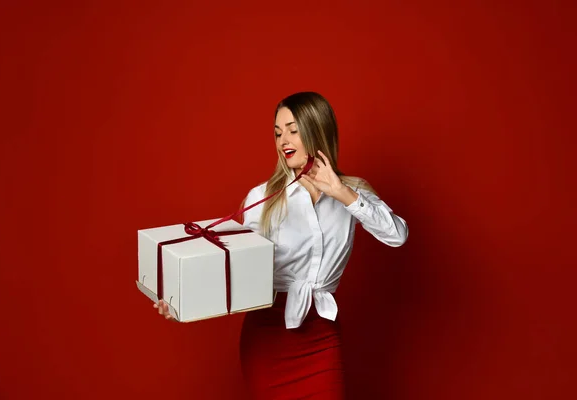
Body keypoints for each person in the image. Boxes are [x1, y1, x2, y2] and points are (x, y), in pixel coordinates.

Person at [155, 92, 408, 399]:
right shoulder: (263, 198)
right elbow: (226, 261)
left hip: (321, 334)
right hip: (268, 335)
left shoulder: (351, 192)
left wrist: (342, 194)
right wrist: (180, 300)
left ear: (316, 130)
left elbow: (397, 235)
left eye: (292, 130)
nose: (283, 140)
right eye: (277, 133)